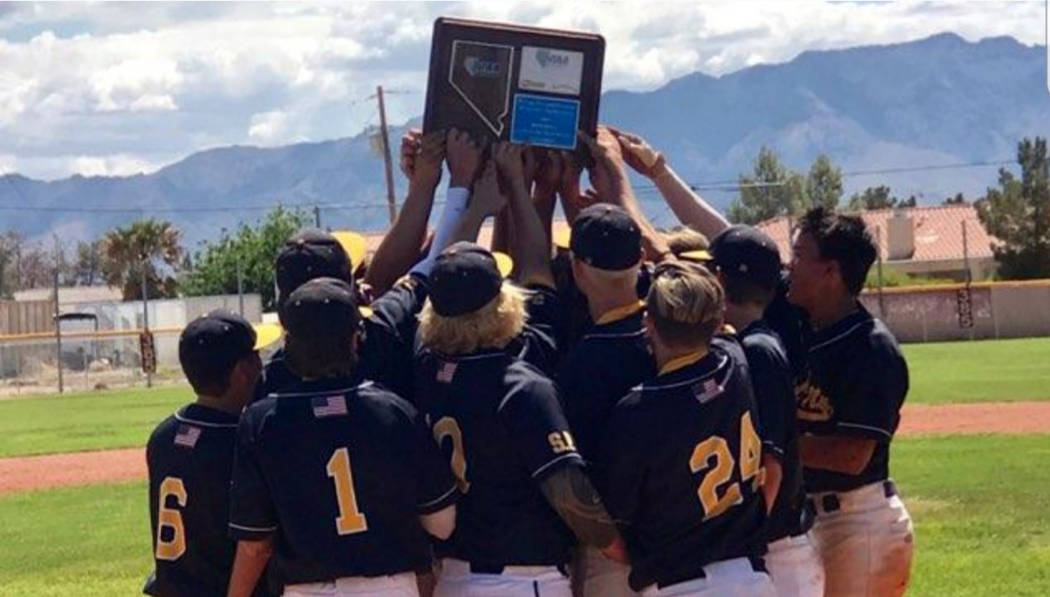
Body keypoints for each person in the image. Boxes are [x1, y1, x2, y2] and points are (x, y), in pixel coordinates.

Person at [226, 278, 459, 597]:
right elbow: (442, 524)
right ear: (354, 338)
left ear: (289, 342)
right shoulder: (393, 410)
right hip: (390, 587)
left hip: (307, 591)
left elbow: (255, 545)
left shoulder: (261, 421)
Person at [598, 261, 774, 597]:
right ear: (718, 321)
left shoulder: (638, 409)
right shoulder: (736, 363)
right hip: (752, 579)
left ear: (648, 323)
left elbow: (610, 522)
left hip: (681, 583)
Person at [787, 207, 913, 597]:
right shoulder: (803, 323)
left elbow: (851, 455)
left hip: (858, 524)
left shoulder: (870, 347)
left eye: (799, 255)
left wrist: (767, 448)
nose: (788, 265)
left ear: (830, 271)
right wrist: (656, 175)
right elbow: (725, 238)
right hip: (813, 518)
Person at [709, 226, 824, 597]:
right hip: (779, 548)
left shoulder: (757, 350)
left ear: (719, 279)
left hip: (778, 550)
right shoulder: (755, 340)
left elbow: (770, 461)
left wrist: (747, 541)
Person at [556, 203, 655, 597]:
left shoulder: (582, 361)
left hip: (614, 550)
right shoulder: (675, 332)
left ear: (578, 270)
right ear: (641, 260)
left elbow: (573, 476)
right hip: (688, 536)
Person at [144, 310, 264, 597]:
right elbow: (256, 543)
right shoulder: (242, 440)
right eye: (254, 358)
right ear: (242, 371)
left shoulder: (164, 435)